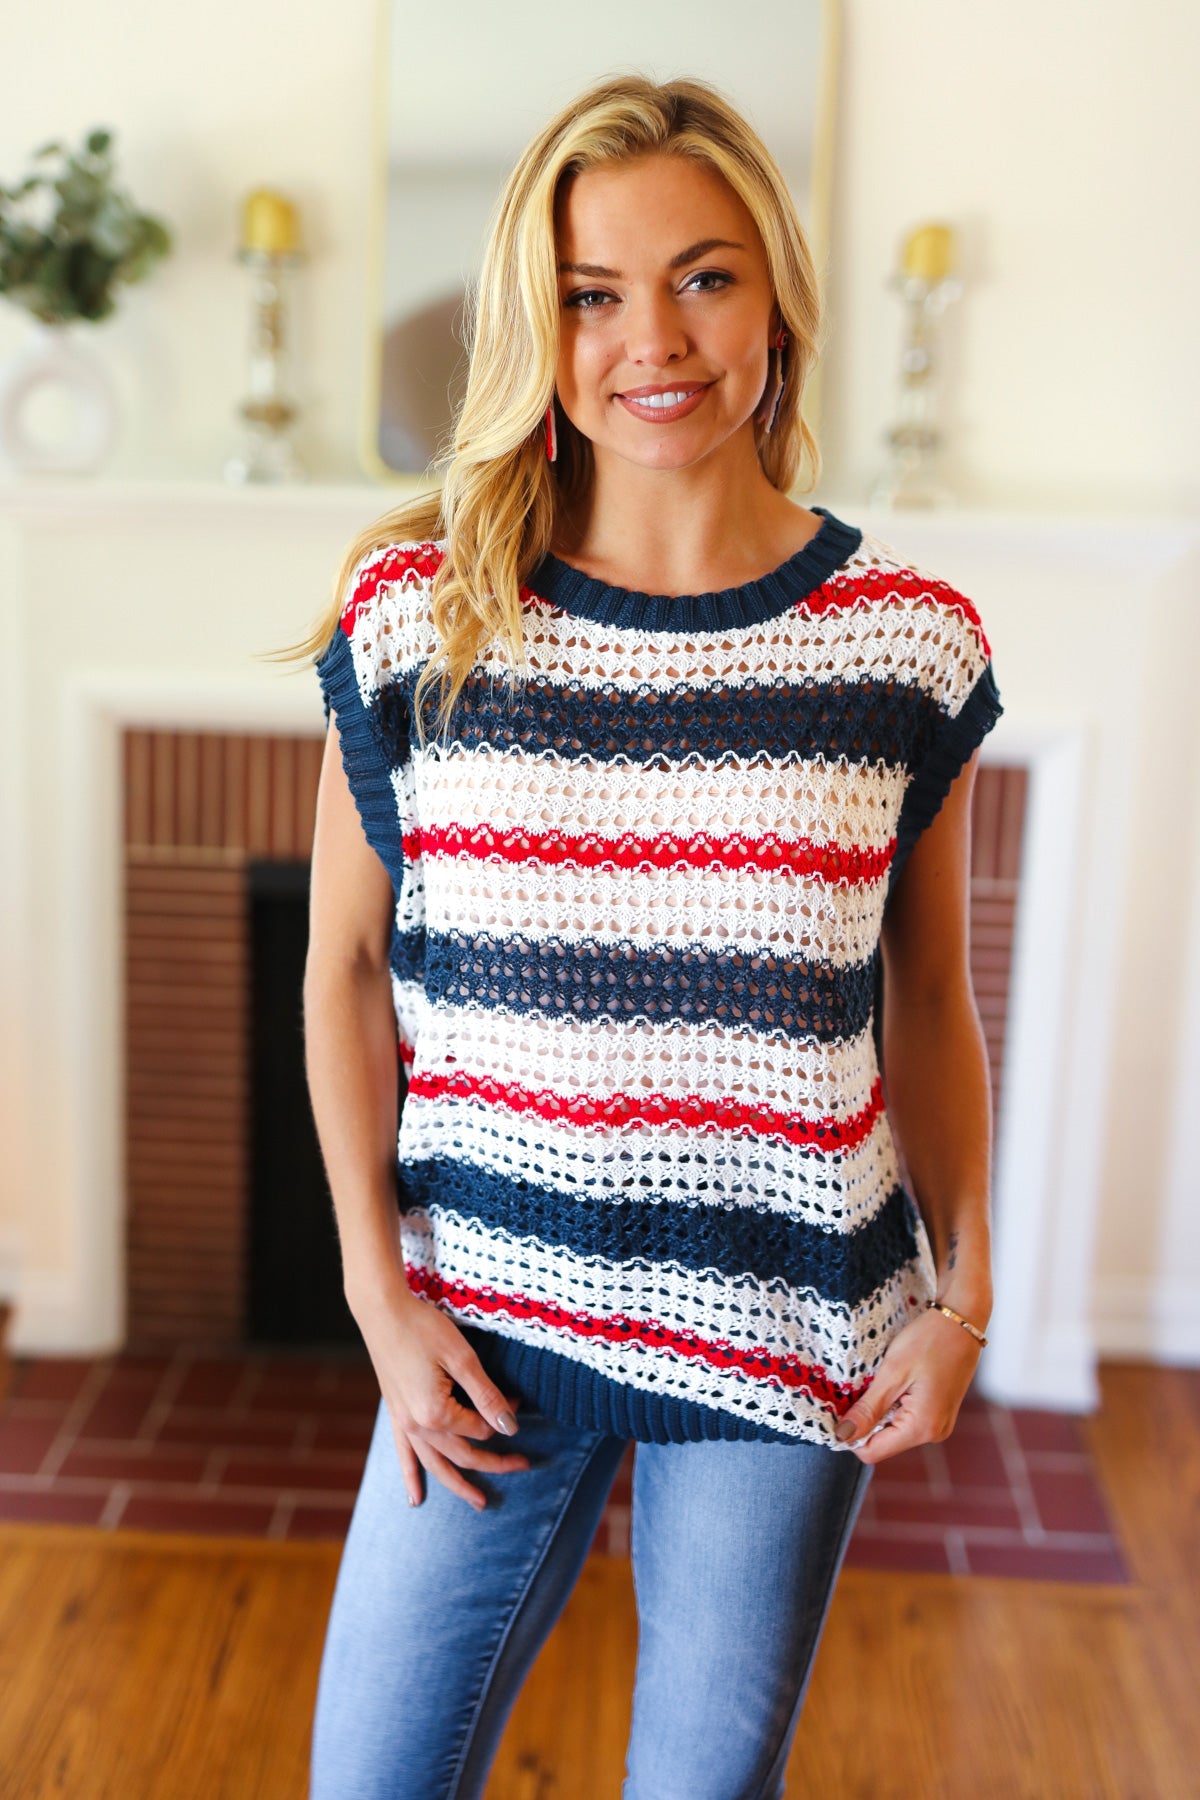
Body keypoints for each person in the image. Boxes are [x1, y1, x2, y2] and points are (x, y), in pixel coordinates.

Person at [291, 72, 1003, 1800]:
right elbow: (336, 976)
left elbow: (928, 993)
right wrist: (375, 1297)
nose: (652, 340)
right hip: (474, 1332)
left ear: (778, 298)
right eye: (593, 295)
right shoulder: (417, 617)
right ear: (540, 327)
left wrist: (963, 1304)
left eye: (704, 275)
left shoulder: (904, 647)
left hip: (785, 1339)